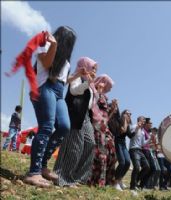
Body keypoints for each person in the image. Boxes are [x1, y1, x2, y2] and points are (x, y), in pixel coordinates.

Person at [24, 26, 78, 187]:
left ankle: (43, 166)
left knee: (64, 126)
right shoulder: (45, 46)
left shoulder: (66, 60)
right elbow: (47, 64)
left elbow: (63, 79)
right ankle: (33, 172)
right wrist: (53, 45)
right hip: (44, 87)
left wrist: (77, 76)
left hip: (59, 92)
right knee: (46, 127)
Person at [52, 57, 98, 187]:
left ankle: (77, 177)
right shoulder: (78, 76)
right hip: (75, 114)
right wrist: (87, 83)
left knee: (90, 144)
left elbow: (91, 103)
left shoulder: (90, 83)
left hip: (86, 116)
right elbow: (74, 90)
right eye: (93, 67)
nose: (94, 70)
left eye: (95, 68)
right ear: (86, 66)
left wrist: (92, 86)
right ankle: (63, 177)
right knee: (74, 146)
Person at [87, 74, 117, 187]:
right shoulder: (93, 90)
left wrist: (112, 109)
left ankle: (107, 180)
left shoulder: (104, 97)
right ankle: (97, 181)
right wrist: (98, 92)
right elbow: (92, 108)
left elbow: (106, 117)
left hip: (105, 127)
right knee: (101, 154)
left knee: (113, 154)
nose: (110, 88)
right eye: (109, 84)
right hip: (97, 127)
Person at [108, 109, 133, 191]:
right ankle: (115, 183)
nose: (129, 115)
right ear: (123, 114)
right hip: (117, 143)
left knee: (128, 162)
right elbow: (122, 131)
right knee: (122, 162)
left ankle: (119, 180)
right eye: (127, 113)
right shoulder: (119, 121)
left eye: (130, 114)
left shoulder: (127, 123)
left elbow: (130, 135)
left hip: (123, 144)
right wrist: (125, 122)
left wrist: (137, 129)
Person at [128, 116, 151, 195]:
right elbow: (130, 135)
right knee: (137, 167)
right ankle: (132, 187)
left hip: (140, 150)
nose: (144, 121)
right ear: (139, 120)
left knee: (147, 167)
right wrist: (137, 127)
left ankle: (135, 181)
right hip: (133, 149)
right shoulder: (134, 126)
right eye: (143, 119)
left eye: (145, 120)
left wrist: (150, 139)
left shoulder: (142, 131)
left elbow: (142, 144)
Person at [141, 118, 161, 189]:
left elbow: (152, 143)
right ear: (146, 124)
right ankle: (144, 185)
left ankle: (148, 185)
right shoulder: (143, 131)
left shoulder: (148, 132)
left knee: (154, 169)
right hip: (145, 151)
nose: (151, 124)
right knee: (148, 168)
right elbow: (143, 143)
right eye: (150, 123)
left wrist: (154, 144)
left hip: (150, 151)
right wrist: (151, 141)